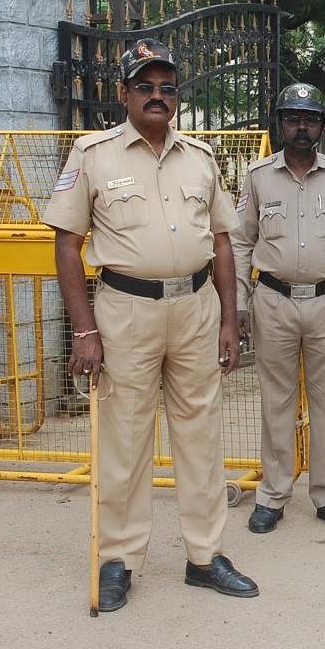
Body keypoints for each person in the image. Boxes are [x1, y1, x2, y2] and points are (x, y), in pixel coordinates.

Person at [45, 37, 257, 613]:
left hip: (195, 309)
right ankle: (118, 559)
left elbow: (223, 243)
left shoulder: (201, 158)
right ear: (123, 94)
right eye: (145, 86)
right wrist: (84, 329)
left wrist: (231, 318)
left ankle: (205, 556)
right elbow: (67, 245)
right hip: (124, 314)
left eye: (167, 88)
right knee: (125, 441)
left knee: (201, 436)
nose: (157, 96)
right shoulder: (93, 155)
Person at [231, 83, 325, 535]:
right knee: (277, 401)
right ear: (280, 124)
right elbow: (239, 242)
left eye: (309, 119)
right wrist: (237, 304)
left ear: (320, 126)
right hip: (273, 300)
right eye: (292, 118)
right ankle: (272, 496)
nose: (300, 127)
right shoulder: (257, 177)